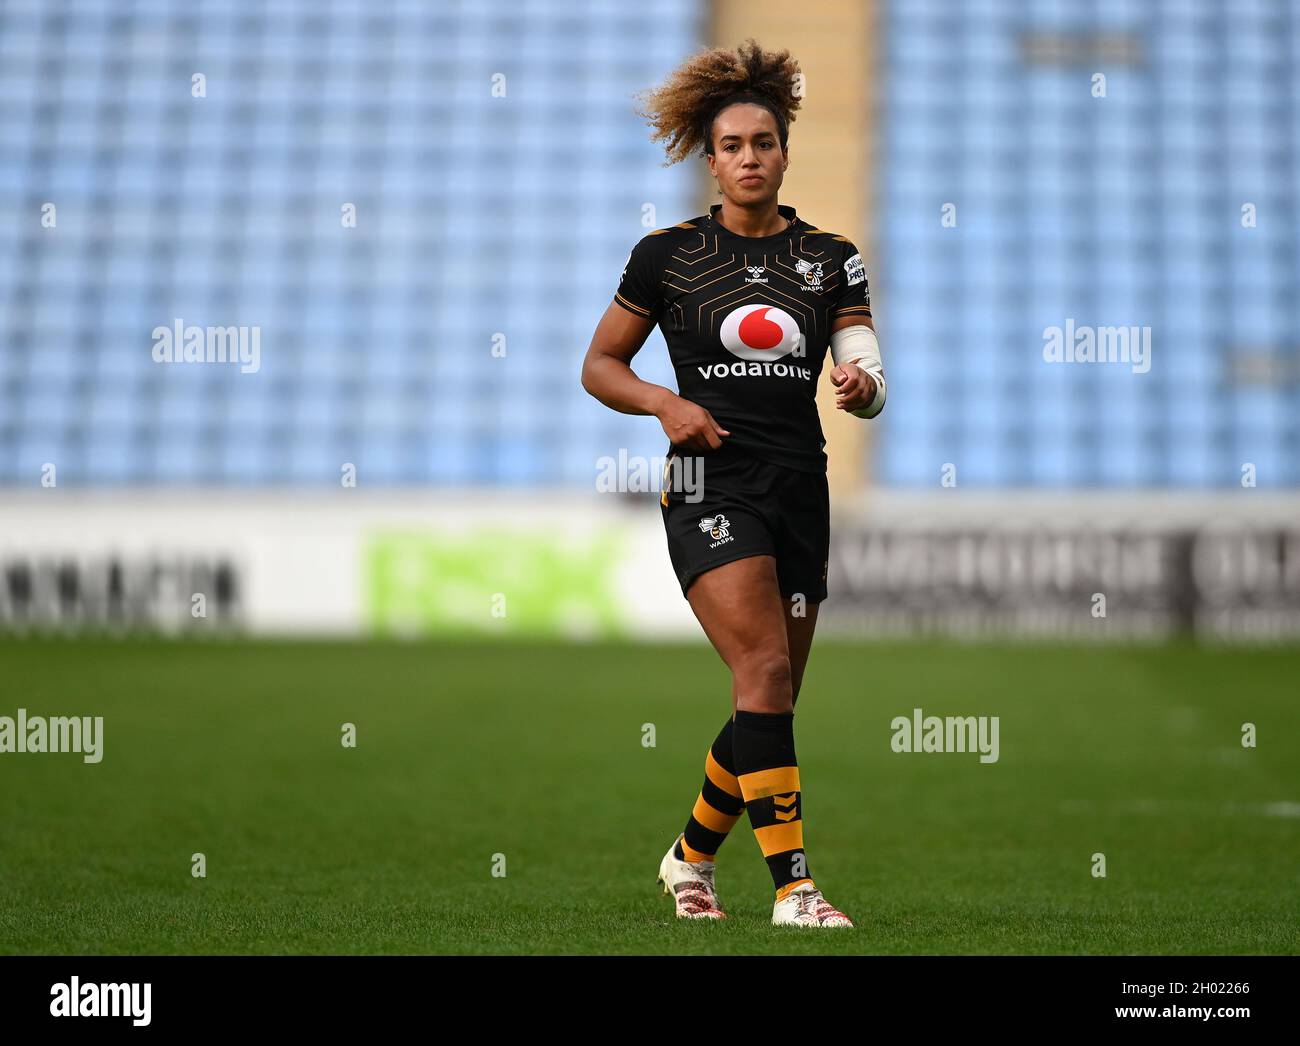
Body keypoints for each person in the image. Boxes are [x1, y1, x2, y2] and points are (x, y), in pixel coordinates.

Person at [580, 39, 886, 928]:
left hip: (801, 486)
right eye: (732, 146)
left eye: (763, 142)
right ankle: (794, 888)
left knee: (771, 694)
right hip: (710, 483)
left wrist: (863, 388)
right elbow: (600, 365)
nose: (749, 158)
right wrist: (664, 405)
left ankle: (688, 861)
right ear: (708, 160)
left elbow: (864, 371)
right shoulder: (667, 256)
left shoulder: (831, 257)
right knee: (760, 668)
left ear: (785, 151)